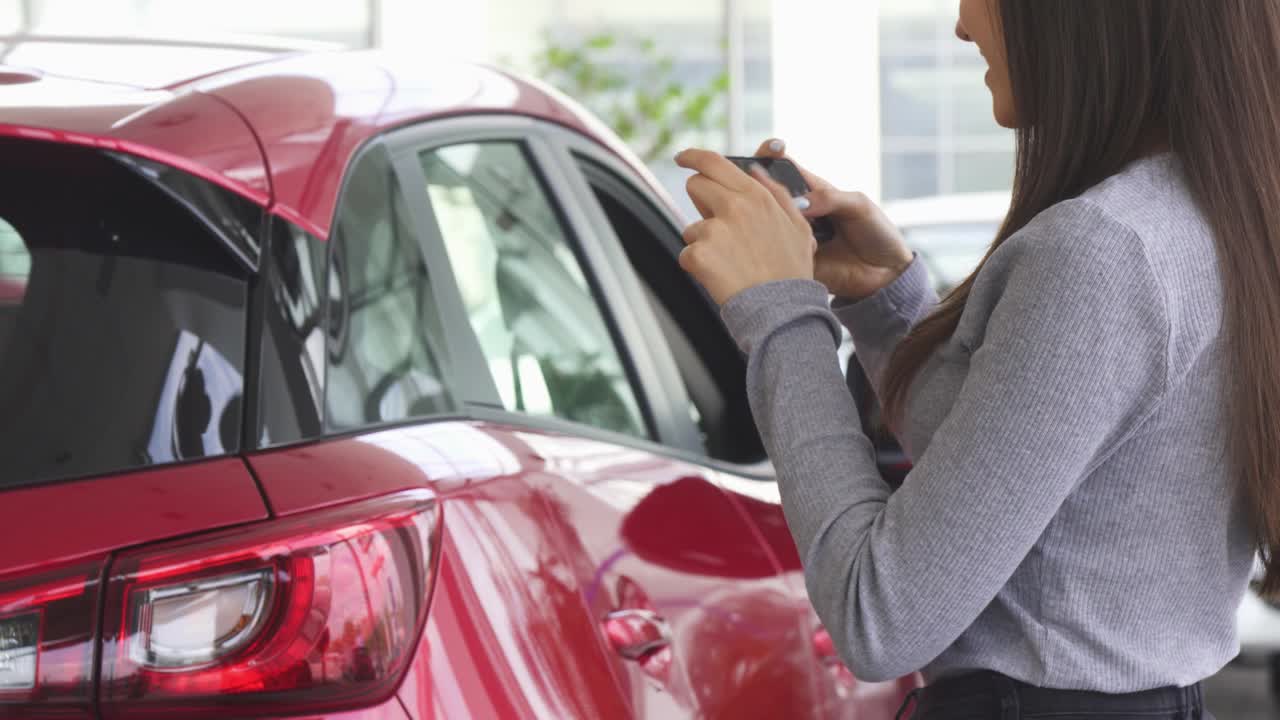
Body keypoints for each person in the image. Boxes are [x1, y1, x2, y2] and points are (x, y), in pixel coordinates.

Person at [674, 1, 1280, 718]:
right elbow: (1005, 486)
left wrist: (782, 313)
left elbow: (880, 617)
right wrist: (883, 303)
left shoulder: (1106, 250)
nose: (962, 25)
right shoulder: (1209, 213)